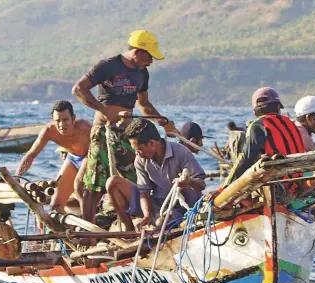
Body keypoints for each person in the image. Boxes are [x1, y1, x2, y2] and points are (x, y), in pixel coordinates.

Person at [72, 30, 179, 226]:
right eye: (149, 56)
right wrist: (105, 110)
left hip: (128, 133)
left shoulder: (142, 74)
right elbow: (79, 89)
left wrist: (164, 123)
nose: (151, 62)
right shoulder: (109, 66)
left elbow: (144, 105)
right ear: (138, 51)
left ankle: (133, 225)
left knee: (135, 179)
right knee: (94, 182)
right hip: (104, 130)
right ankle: (89, 233)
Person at [107, 119, 206, 231]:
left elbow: (201, 184)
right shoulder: (140, 160)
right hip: (155, 204)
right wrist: (147, 215)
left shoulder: (181, 152)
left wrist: (189, 182)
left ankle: (158, 229)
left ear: (151, 144)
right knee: (113, 183)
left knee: (161, 222)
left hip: (181, 209)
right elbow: (144, 192)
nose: (136, 153)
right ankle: (129, 231)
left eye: (138, 149)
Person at [224, 87, 306, 197]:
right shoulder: (292, 125)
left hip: (278, 191)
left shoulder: (258, 125)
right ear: (277, 107)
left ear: (255, 110)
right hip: (297, 188)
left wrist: (225, 188)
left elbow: (245, 159)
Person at [15, 100, 91, 212]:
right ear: (52, 120)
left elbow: (104, 144)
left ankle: (89, 223)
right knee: (55, 206)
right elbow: (31, 155)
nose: (61, 124)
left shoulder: (85, 127)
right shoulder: (49, 131)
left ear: (73, 118)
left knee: (78, 187)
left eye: (65, 120)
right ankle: (64, 229)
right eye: (58, 120)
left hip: (90, 156)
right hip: (73, 159)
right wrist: (17, 177)